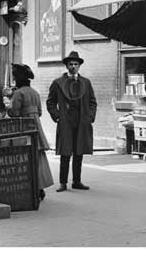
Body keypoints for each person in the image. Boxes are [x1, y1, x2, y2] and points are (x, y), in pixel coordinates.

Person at [47, 51, 97, 192]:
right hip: (66, 123)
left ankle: (77, 181)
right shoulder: (58, 83)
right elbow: (50, 102)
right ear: (66, 66)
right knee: (65, 153)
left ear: (79, 66)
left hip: (81, 122)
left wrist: (90, 116)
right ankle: (63, 183)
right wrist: (57, 116)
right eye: (70, 64)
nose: (73, 67)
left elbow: (93, 102)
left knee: (79, 153)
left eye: (76, 64)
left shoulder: (86, 83)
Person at [8, 63, 54, 201]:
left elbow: (14, 113)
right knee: (38, 158)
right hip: (36, 127)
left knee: (24, 158)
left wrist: (7, 105)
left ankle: (27, 188)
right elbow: (39, 112)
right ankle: (40, 188)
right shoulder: (35, 93)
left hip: (23, 128)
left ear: (18, 79)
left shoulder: (18, 93)